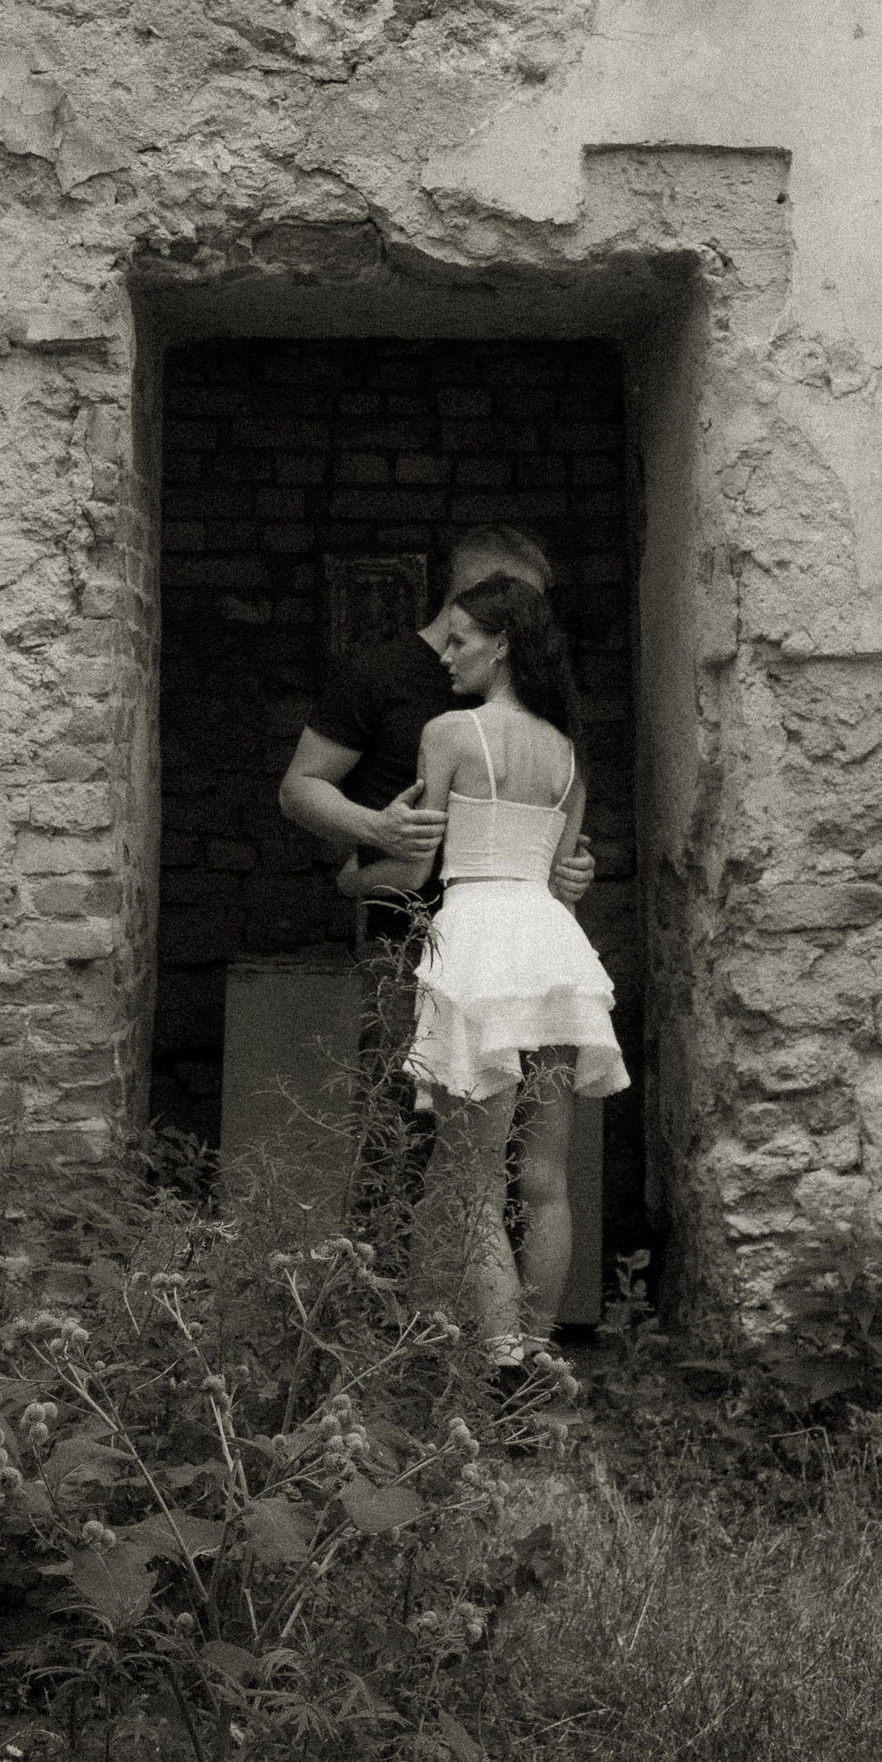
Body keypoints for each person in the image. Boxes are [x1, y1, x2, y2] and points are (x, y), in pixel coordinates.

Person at [345, 573, 629, 1376]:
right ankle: (538, 1357)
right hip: (553, 948)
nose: (448, 654)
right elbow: (565, 871)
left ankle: (504, 1364)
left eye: (462, 638)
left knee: (471, 1178)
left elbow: (414, 862)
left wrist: (349, 877)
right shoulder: (567, 752)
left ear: (502, 643)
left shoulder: (448, 733)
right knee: (545, 1179)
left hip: (479, 944)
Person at [276, 528, 595, 1235]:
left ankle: (495, 1335)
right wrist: (373, 830)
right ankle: (390, 1319)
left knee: (512, 1162)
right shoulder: (381, 673)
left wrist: (571, 862)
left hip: (511, 945)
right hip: (409, 941)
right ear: (483, 594)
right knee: (398, 1131)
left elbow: (552, 805)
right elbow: (299, 789)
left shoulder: (530, 693)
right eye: (525, 605)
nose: (538, 627)